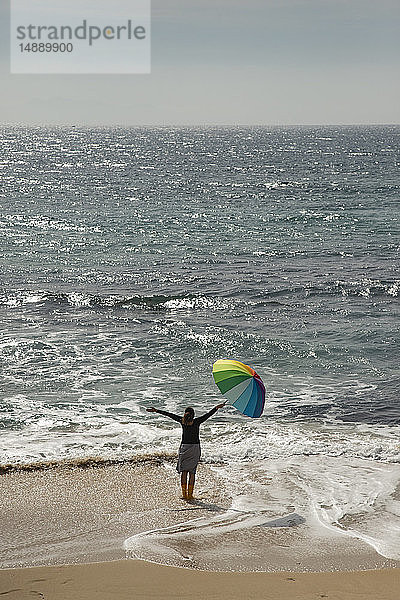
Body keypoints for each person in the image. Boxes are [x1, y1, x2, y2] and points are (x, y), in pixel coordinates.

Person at [146, 402, 226, 500]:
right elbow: (208, 414)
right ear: (193, 415)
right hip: (195, 448)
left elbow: (169, 415)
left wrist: (156, 410)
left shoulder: (182, 421)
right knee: (192, 472)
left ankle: (184, 494)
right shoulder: (197, 422)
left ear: (185, 414)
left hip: (184, 448)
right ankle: (190, 495)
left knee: (184, 472)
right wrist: (217, 407)